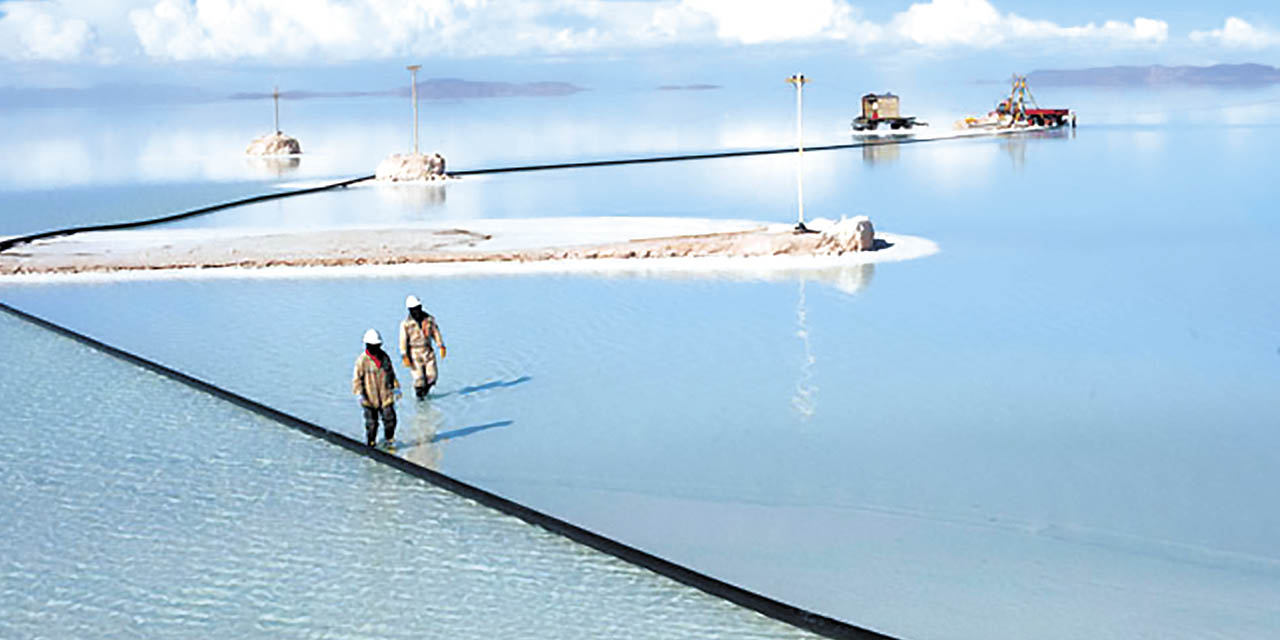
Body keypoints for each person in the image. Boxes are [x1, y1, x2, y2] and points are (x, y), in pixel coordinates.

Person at [352, 328, 399, 446]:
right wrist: (360, 394)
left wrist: (396, 388)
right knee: (372, 424)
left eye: (377, 345)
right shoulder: (362, 360)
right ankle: (371, 443)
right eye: (373, 345)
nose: (376, 348)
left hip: (385, 396)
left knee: (390, 420)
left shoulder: (384, 357)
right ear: (367, 345)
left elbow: (391, 373)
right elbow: (357, 379)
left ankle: (389, 441)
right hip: (369, 398)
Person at [399, 294, 446, 399]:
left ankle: (425, 392)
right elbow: (403, 340)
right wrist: (404, 355)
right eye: (413, 309)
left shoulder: (429, 320)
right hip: (414, 353)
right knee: (419, 378)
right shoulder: (405, 324)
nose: (416, 311)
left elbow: (435, 332)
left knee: (432, 376)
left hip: (427, 351)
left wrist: (441, 345)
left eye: (417, 308)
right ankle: (420, 396)